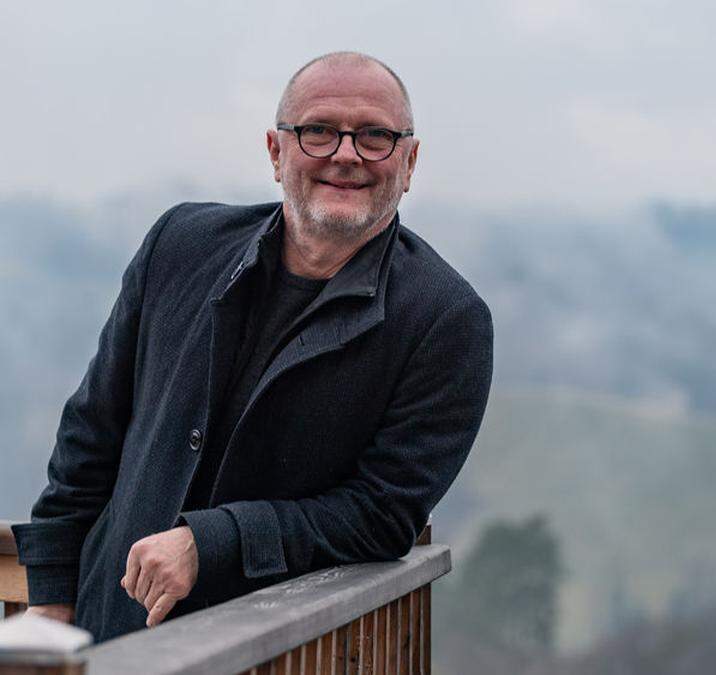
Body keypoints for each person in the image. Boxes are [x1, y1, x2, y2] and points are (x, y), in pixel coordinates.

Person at [11, 51, 493, 643]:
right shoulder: (179, 245)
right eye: (318, 131)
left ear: (410, 160)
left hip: (263, 649)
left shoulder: (446, 319)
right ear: (275, 151)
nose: (346, 154)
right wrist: (52, 596)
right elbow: (92, 432)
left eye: (376, 136)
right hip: (107, 634)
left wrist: (212, 543)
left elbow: (381, 514)